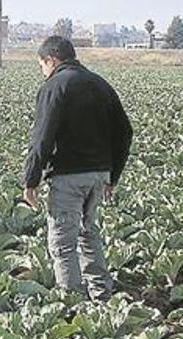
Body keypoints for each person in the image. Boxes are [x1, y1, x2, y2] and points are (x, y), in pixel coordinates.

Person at [22, 35, 133, 300]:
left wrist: (31, 179)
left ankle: (72, 303)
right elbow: (125, 132)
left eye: (42, 65)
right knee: (88, 233)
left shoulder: (55, 86)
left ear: (51, 59)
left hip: (68, 177)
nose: (43, 71)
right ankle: (101, 293)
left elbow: (42, 137)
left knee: (62, 243)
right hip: (98, 176)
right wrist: (112, 176)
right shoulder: (101, 84)